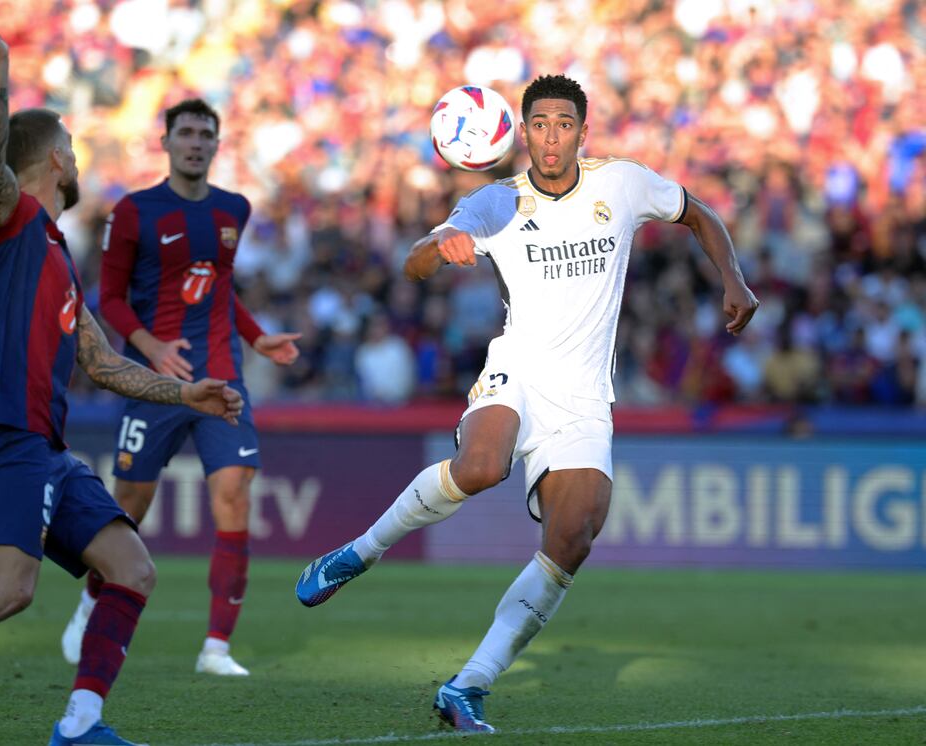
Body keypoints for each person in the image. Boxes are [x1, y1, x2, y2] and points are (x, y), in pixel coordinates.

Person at [295, 75, 760, 732]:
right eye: (539, 124)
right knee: (481, 466)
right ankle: (360, 552)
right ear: (522, 131)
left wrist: (733, 278)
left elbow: (698, 214)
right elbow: (414, 264)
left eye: (563, 124)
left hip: (585, 395)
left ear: (581, 131)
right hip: (518, 368)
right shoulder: (494, 202)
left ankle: (469, 685)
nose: (551, 137)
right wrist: (438, 246)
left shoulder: (621, 184)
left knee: (574, 537)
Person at [0, 4, 243, 745]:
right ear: (54, 159)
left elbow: (99, 361)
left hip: (46, 446)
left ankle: (80, 726)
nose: (79, 157)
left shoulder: (53, 252)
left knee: (131, 569)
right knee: (10, 589)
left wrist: (187, 392)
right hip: (9, 434)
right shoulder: (13, 217)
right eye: (71, 146)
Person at [59, 98, 300, 677]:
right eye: (185, 132)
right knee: (129, 507)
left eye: (205, 134)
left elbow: (219, 287)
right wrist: (151, 348)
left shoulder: (233, 210)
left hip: (222, 378)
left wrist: (257, 336)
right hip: (154, 384)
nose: (195, 142)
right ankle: (92, 598)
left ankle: (217, 647)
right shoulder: (134, 211)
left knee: (235, 496)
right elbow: (110, 299)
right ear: (165, 143)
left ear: (218, 145)